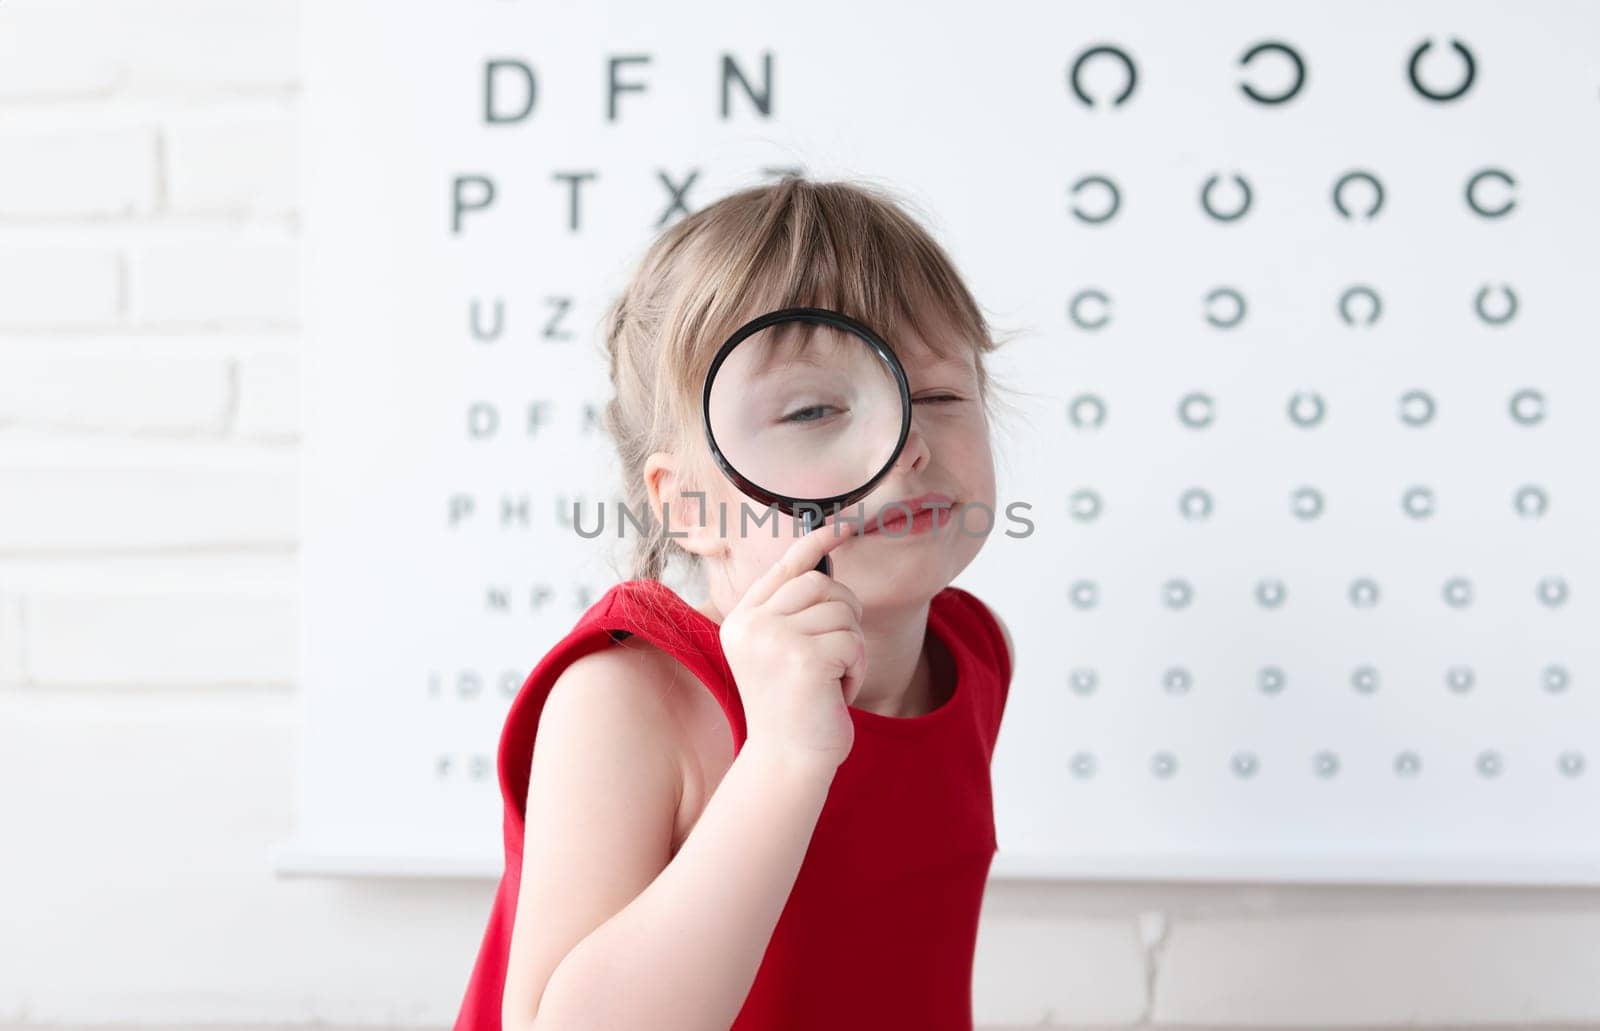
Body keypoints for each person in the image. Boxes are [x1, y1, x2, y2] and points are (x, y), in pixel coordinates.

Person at [453, 175, 1019, 1030]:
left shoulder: (970, 651)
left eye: (940, 395)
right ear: (685, 505)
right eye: (815, 408)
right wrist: (785, 756)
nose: (905, 444)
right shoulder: (630, 697)